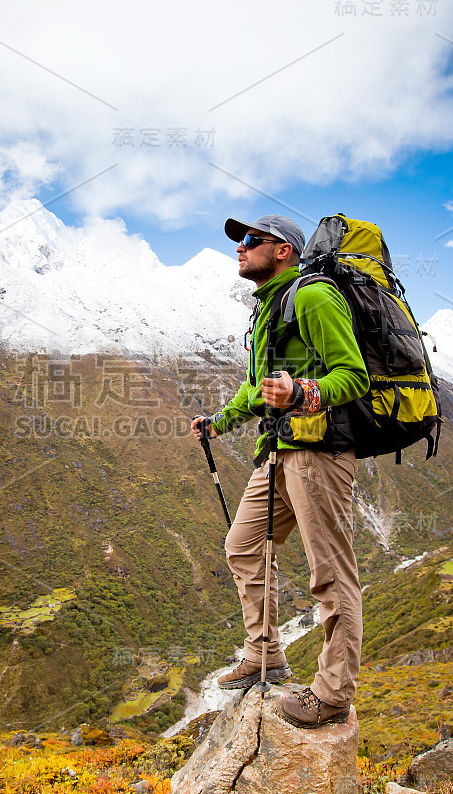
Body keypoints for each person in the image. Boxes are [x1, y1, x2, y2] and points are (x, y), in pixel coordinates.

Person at [190, 214, 369, 729]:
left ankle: (332, 694)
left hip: (320, 453)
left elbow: (352, 375)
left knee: (330, 574)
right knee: (242, 545)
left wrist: (303, 393)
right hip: (278, 450)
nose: (239, 249)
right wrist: (221, 422)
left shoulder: (313, 298)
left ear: (284, 250)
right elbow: (258, 387)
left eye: (250, 241)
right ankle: (265, 653)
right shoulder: (269, 309)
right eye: (239, 242)